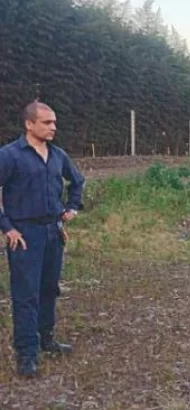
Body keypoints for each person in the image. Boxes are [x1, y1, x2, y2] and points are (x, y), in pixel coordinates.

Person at [0, 101, 86, 377]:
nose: (53, 127)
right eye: (47, 123)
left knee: (49, 288)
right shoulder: (10, 155)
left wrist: (71, 209)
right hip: (25, 235)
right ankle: (27, 353)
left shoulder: (58, 155)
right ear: (29, 124)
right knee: (26, 295)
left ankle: (46, 339)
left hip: (53, 232)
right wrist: (7, 228)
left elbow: (77, 181)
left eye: (54, 122)